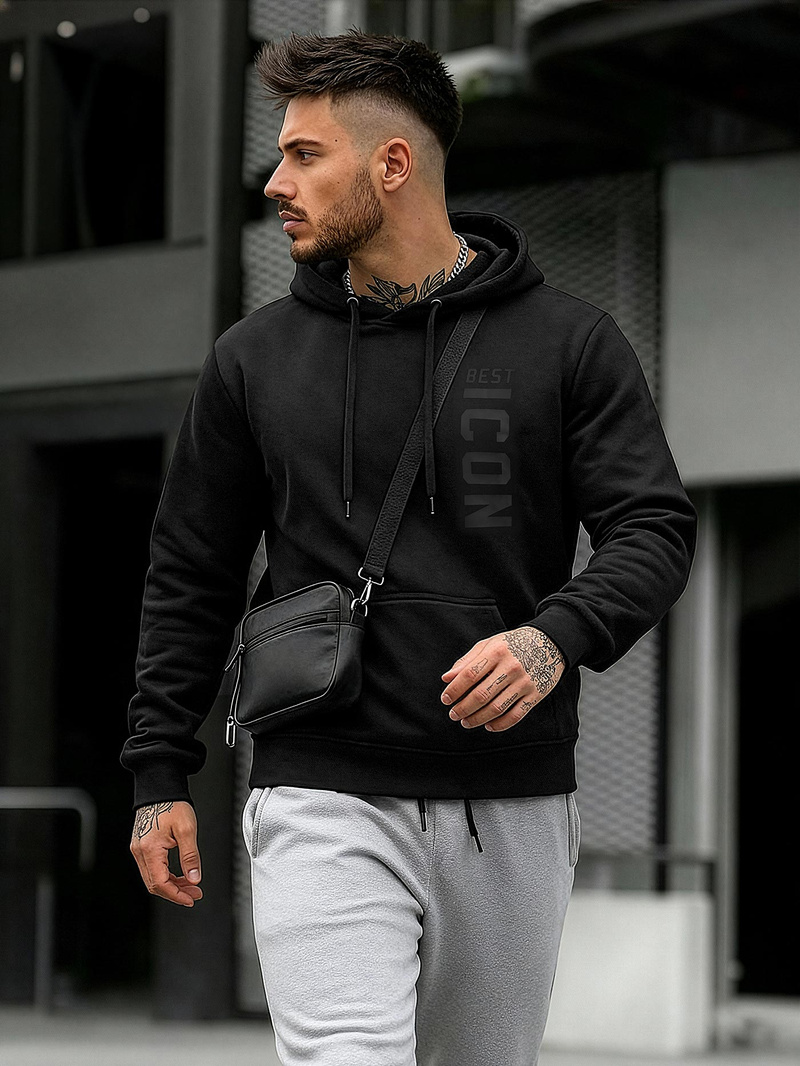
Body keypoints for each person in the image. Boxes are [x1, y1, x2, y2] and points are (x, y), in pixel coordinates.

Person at [122, 29, 697, 1066]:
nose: (275, 184)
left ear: (391, 164)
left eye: (305, 156)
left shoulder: (568, 343)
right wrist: (160, 768)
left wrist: (553, 638)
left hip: (512, 799)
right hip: (319, 788)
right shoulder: (252, 360)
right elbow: (190, 572)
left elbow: (652, 527)